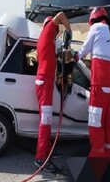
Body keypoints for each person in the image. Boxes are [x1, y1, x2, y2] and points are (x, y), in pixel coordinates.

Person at [72, 7, 110, 169]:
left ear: (93, 20)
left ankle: (96, 160)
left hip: (99, 83)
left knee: (94, 121)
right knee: (106, 122)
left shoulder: (96, 28)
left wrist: (73, 55)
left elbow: (83, 51)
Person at [34, 11, 71, 173]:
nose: (57, 34)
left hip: (45, 81)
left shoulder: (46, 40)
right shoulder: (48, 30)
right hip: (44, 82)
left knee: (46, 119)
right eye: (57, 31)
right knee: (46, 120)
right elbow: (61, 15)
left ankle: (47, 149)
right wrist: (68, 31)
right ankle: (41, 158)